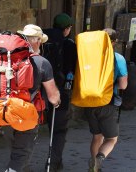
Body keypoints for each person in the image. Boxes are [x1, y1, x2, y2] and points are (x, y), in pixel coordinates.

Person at [3, 24, 61, 172]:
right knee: (21, 154)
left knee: (16, 153)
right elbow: (53, 96)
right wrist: (57, 101)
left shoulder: (9, 60)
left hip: (6, 111)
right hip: (27, 115)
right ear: (37, 41)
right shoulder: (42, 63)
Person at [85, 28, 127, 172]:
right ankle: (97, 161)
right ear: (114, 42)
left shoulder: (89, 56)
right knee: (111, 139)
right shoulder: (118, 58)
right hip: (107, 102)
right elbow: (123, 84)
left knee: (97, 137)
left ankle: (94, 168)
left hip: (89, 101)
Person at [43, 13, 77, 171]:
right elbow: (74, 69)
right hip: (60, 93)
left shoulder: (43, 41)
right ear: (67, 29)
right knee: (59, 131)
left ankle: (24, 164)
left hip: (40, 93)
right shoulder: (69, 45)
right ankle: (53, 163)